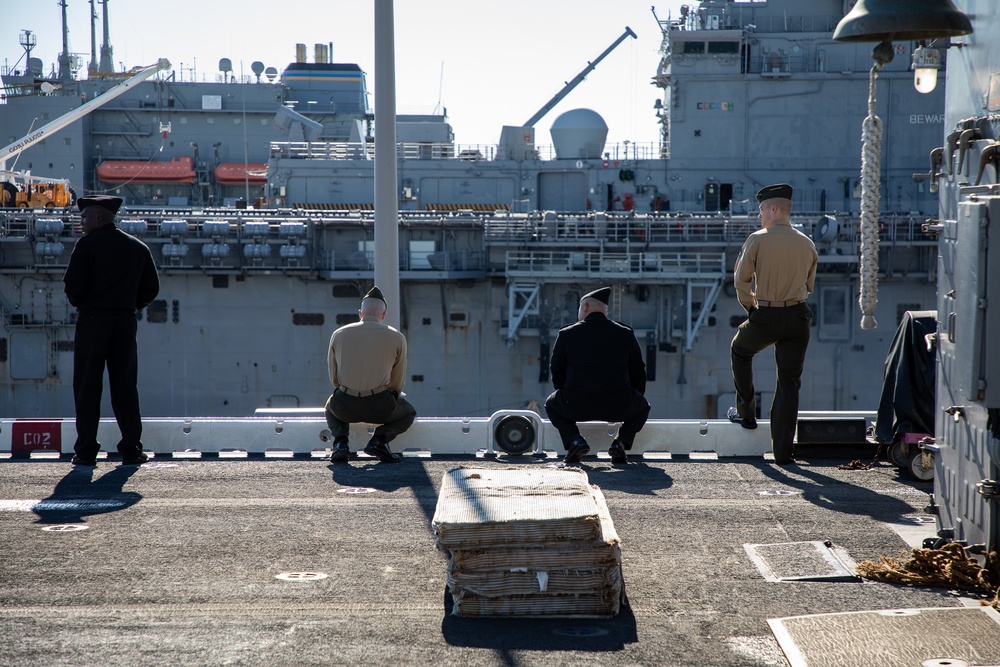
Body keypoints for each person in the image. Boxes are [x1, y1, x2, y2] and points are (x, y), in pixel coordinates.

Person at [63, 195, 160, 466]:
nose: (81, 222)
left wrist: (89, 306)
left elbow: (72, 288)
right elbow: (151, 289)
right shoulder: (138, 247)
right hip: (124, 321)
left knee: (87, 387)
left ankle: (86, 452)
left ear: (99, 217)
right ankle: (131, 450)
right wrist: (129, 306)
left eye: (84, 217)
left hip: (93, 321)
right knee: (125, 386)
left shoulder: (86, 247)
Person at [729, 183, 818, 464]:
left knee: (740, 350)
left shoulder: (757, 239)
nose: (760, 216)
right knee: (789, 384)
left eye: (762, 209)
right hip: (797, 317)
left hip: (766, 314)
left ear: (774, 209)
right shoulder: (807, 243)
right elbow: (809, 285)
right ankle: (783, 453)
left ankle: (746, 413)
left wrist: (751, 308)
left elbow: (741, 280)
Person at [544, 286, 650, 464]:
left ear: (585, 307)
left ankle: (575, 441)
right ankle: (621, 443)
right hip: (619, 406)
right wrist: (631, 397)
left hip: (575, 405)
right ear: (605, 311)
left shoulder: (566, 334)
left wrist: (568, 394)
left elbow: (556, 372)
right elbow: (639, 371)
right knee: (644, 406)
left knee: (551, 404)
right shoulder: (625, 333)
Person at [325, 286, 416, 463]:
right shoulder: (397, 337)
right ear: (383, 315)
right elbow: (397, 382)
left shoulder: (339, 334)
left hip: (345, 407)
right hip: (380, 407)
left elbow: (334, 379)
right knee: (409, 412)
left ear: (360, 313)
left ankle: (340, 444)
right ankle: (379, 441)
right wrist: (391, 395)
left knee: (330, 407)